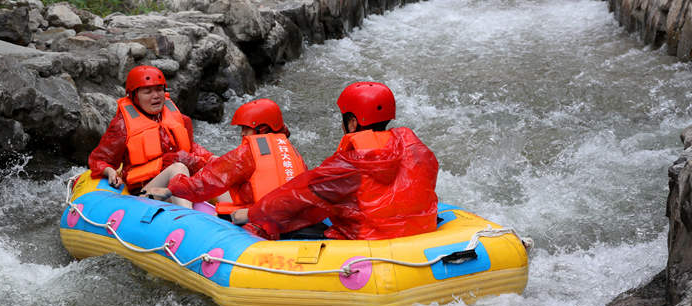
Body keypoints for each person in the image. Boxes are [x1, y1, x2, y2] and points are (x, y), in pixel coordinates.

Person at [241, 81, 439, 240]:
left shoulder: (348, 165)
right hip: (420, 232)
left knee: (286, 228)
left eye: (344, 118)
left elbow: (296, 196)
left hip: (372, 241)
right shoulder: (414, 147)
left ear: (352, 123)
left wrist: (251, 214)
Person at [154, 98, 307, 219]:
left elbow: (207, 182)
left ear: (263, 129)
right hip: (288, 217)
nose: (242, 133)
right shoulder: (290, 150)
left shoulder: (249, 152)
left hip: (258, 221)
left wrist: (172, 189)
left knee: (218, 214)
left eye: (246, 128)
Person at [88, 65, 214, 208]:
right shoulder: (122, 126)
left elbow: (190, 147)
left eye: (159, 90)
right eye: (148, 92)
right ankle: (189, 220)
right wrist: (110, 171)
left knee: (218, 168)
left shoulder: (179, 118)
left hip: (177, 188)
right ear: (134, 96)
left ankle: (239, 215)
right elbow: (98, 160)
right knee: (178, 167)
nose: (156, 96)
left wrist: (211, 158)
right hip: (145, 190)